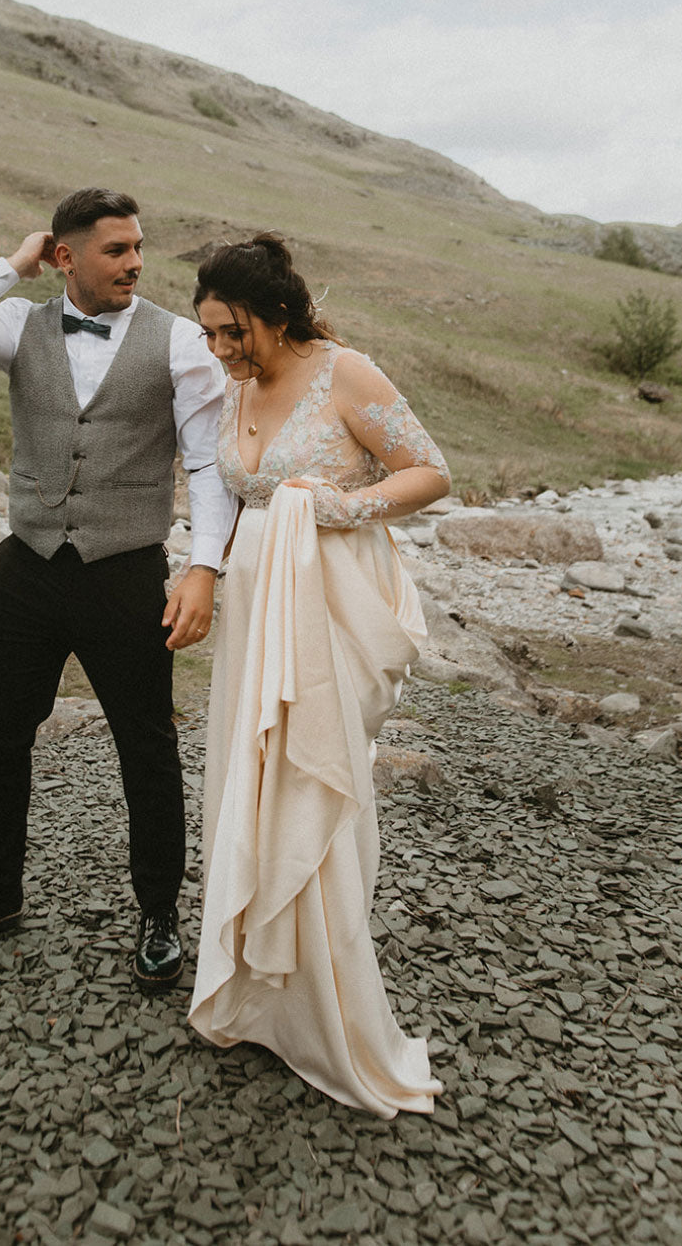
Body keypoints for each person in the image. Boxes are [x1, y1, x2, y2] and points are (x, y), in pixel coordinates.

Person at [0, 188, 236, 989]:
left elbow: (206, 464)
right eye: (115, 250)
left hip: (126, 572)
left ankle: (158, 909)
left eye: (137, 248)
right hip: (25, 567)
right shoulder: (20, 324)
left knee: (147, 747)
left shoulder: (182, 342)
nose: (134, 263)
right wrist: (12, 265)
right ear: (66, 256)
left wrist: (203, 566)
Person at [188, 233, 450, 1114]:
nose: (220, 350)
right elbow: (230, 490)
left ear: (276, 313)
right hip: (258, 610)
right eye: (209, 335)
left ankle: (330, 1010)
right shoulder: (237, 386)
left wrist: (346, 505)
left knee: (312, 780)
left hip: (331, 598)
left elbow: (430, 471)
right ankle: (263, 994)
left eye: (232, 331)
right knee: (251, 780)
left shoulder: (347, 374)